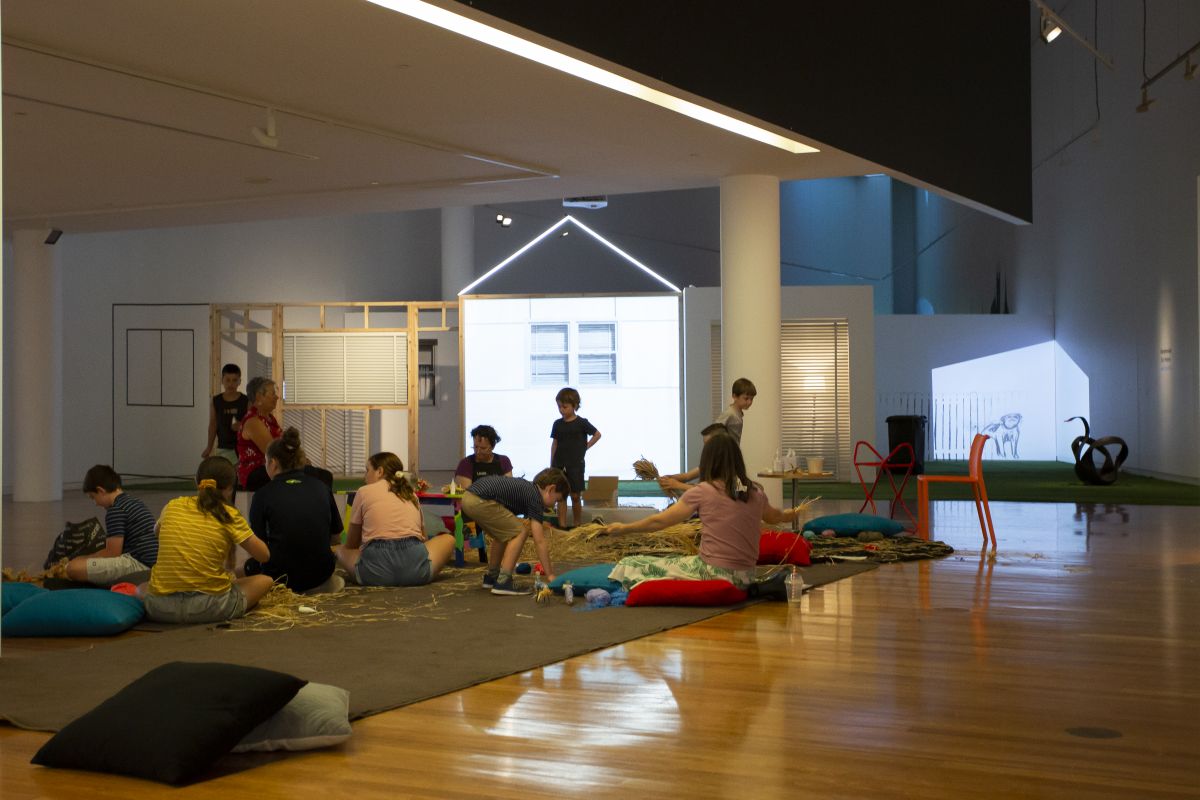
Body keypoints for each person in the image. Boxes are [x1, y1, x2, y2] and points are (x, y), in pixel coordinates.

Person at [601, 433, 802, 592]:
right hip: (747, 575)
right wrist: (792, 513)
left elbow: (660, 522)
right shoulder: (755, 491)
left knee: (631, 563)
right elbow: (775, 516)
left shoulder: (704, 491)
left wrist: (624, 528)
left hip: (713, 573)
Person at [141, 457, 274, 624]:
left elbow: (157, 533)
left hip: (159, 608)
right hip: (210, 608)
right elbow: (264, 556)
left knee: (142, 587)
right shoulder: (228, 515)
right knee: (265, 581)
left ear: (196, 481)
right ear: (229, 489)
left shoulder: (173, 505)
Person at [242, 427, 344, 594]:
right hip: (321, 574)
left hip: (279, 578)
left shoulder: (262, 494)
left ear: (273, 463)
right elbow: (336, 537)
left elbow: (259, 548)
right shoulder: (322, 487)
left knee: (247, 567)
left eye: (265, 462)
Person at [336, 452, 457, 587]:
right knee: (449, 539)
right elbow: (424, 539)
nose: (365, 477)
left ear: (380, 471)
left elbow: (351, 544)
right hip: (415, 571)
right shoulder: (411, 494)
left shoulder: (364, 491)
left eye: (367, 470)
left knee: (341, 550)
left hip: (374, 573)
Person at [461, 469, 568, 595]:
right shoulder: (535, 498)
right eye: (556, 500)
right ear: (550, 489)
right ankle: (503, 581)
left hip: (469, 497)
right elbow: (539, 540)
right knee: (520, 531)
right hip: (480, 500)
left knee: (503, 534)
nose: (554, 505)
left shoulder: (527, 490)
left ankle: (492, 576)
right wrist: (550, 575)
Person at [65, 465, 158, 586]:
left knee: (73, 568)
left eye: (93, 497)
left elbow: (112, 553)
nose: (96, 503)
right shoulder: (134, 502)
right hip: (154, 563)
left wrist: (84, 559)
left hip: (140, 565)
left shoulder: (115, 510)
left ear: (101, 491)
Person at [237, 376, 334, 491]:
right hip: (259, 472)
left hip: (277, 467)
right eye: (272, 393)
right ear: (259, 397)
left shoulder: (269, 419)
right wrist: (300, 461)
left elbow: (283, 447)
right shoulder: (253, 422)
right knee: (321, 476)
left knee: (320, 475)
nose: (277, 397)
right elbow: (275, 452)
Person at [550, 387, 601, 528]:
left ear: (575, 405)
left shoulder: (582, 422)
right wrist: (551, 464)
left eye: (564, 407)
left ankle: (577, 524)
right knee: (561, 496)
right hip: (559, 464)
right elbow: (554, 444)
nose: (561, 410)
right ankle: (562, 525)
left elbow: (597, 434)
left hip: (576, 465)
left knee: (575, 495)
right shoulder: (557, 424)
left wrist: (586, 446)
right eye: (559, 406)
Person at [658, 422, 729, 494]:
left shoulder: (727, 466)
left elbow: (709, 491)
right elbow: (687, 476)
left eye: (708, 445)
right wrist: (668, 478)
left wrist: (677, 485)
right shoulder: (709, 463)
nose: (704, 449)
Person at [201, 363, 248, 464]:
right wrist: (209, 448)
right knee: (224, 476)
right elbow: (213, 425)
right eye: (227, 380)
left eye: (234, 380)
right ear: (222, 380)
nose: (231, 384)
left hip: (243, 447)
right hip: (223, 447)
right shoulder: (216, 401)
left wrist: (242, 425)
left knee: (240, 477)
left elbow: (253, 424)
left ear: (239, 381)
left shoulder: (246, 401)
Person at [453, 424, 513, 491]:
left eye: (483, 448)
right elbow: (466, 495)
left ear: (493, 446)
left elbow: (508, 490)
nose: (478, 452)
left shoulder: (504, 461)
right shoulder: (466, 464)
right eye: (475, 447)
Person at [714, 377, 757, 444]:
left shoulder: (738, 414)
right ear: (735, 396)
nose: (749, 402)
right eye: (746, 398)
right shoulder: (730, 413)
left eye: (751, 399)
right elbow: (714, 430)